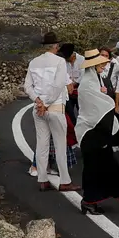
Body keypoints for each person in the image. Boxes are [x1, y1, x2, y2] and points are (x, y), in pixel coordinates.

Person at [77, 50, 119, 215]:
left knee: (103, 165)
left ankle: (92, 200)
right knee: (94, 167)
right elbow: (99, 108)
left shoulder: (94, 81)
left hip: (97, 129)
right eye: (101, 64)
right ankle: (89, 201)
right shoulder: (88, 84)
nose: (103, 66)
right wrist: (108, 100)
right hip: (91, 131)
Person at [23, 32, 79, 192]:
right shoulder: (59, 62)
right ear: (56, 46)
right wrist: (46, 104)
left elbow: (27, 87)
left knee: (42, 144)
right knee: (60, 145)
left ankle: (42, 179)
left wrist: (38, 101)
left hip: (38, 108)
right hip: (54, 107)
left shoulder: (34, 62)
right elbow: (58, 84)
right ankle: (65, 181)